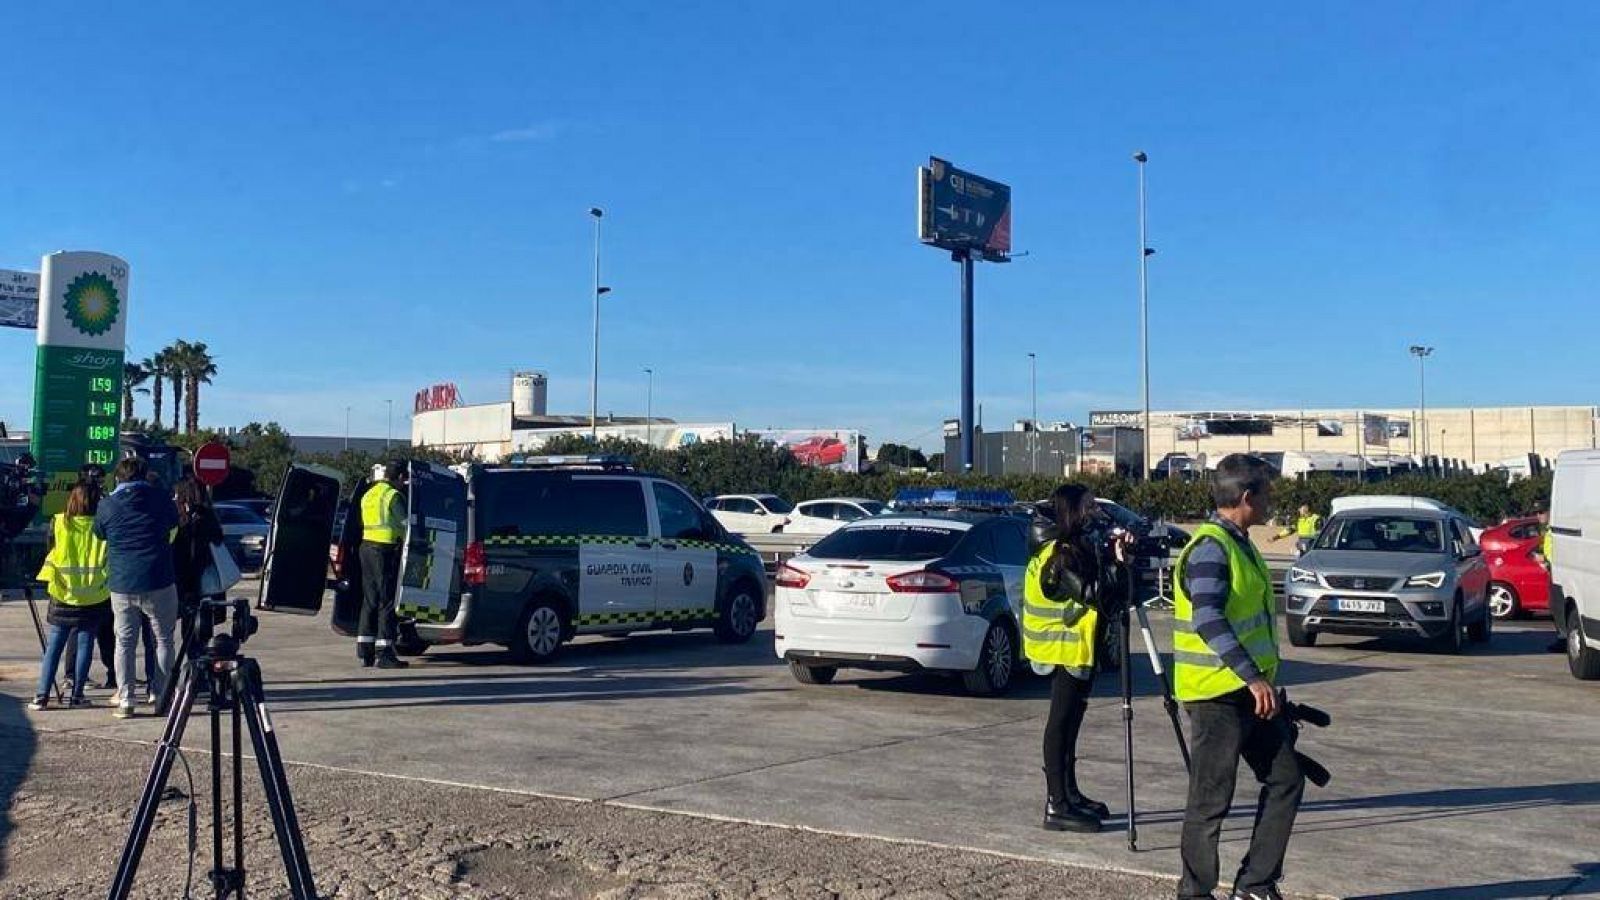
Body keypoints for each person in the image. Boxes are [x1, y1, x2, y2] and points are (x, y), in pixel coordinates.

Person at [1174, 454, 1304, 900]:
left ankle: (1255, 883)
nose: (1271, 502)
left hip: (1253, 696)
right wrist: (1252, 676)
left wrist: (1263, 683)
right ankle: (1194, 892)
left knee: (1286, 778)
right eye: (1267, 494)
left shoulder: (1240, 542)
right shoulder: (1212, 547)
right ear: (1247, 497)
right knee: (1210, 802)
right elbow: (1206, 617)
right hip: (1217, 695)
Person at [1024, 484, 1130, 833]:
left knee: (1072, 723)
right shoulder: (1060, 555)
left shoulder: (1074, 547)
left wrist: (1115, 560)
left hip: (1078, 650)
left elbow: (1109, 598)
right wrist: (1114, 563)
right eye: (1086, 506)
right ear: (1071, 511)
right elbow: (1093, 595)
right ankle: (1057, 804)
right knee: (1061, 723)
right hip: (1063, 649)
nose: (1093, 513)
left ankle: (1070, 793)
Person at [94, 457, 181, 719]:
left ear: (118, 478)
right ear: (145, 474)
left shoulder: (107, 505)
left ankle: (127, 699)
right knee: (163, 639)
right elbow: (174, 523)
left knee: (125, 641)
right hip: (158, 577)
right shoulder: (161, 499)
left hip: (122, 581)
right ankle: (162, 696)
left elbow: (99, 533)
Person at [29, 483, 111, 710]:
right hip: (93, 593)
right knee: (85, 644)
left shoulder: (59, 523)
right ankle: (77, 695)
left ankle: (41, 695)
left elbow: (51, 550)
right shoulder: (101, 526)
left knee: (54, 646)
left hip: (63, 591)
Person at [357, 461, 409, 669]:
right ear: (399, 477)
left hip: (366, 547)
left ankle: (365, 650)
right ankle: (385, 653)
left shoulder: (369, 494)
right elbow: (406, 525)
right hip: (384, 549)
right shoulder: (393, 496)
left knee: (370, 599)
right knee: (387, 601)